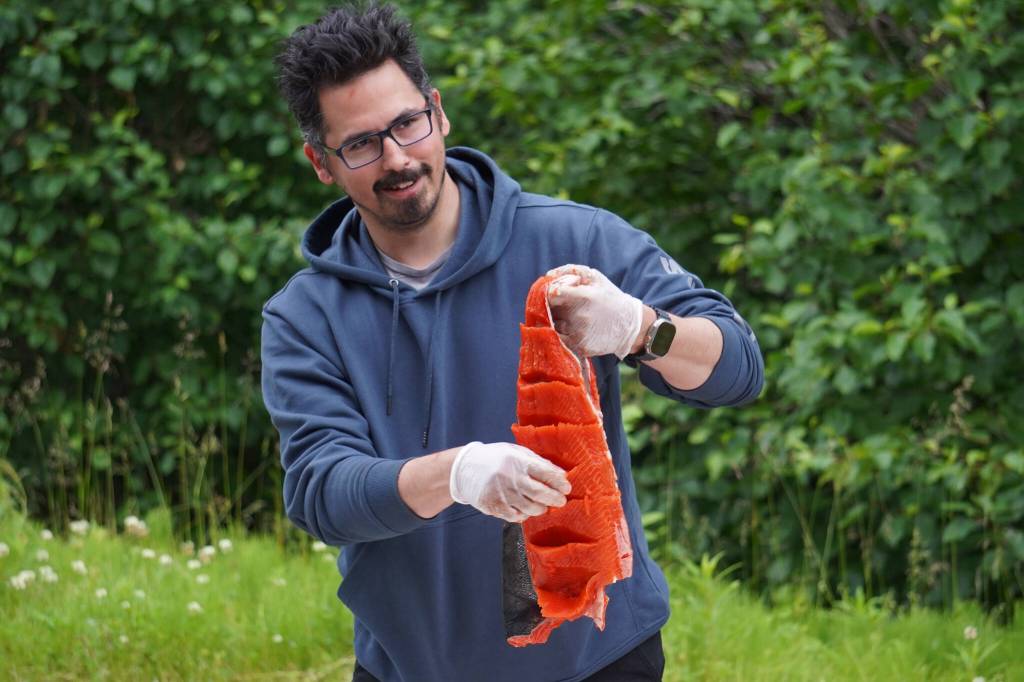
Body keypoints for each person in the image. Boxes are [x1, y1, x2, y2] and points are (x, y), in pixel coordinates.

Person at [262, 4, 764, 681]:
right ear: (321, 162)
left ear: (437, 113)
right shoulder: (305, 316)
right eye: (361, 144)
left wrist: (643, 329)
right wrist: (458, 474)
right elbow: (323, 496)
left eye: (408, 124)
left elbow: (738, 366)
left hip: (600, 657)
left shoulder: (575, 240)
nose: (397, 158)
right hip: (412, 666)